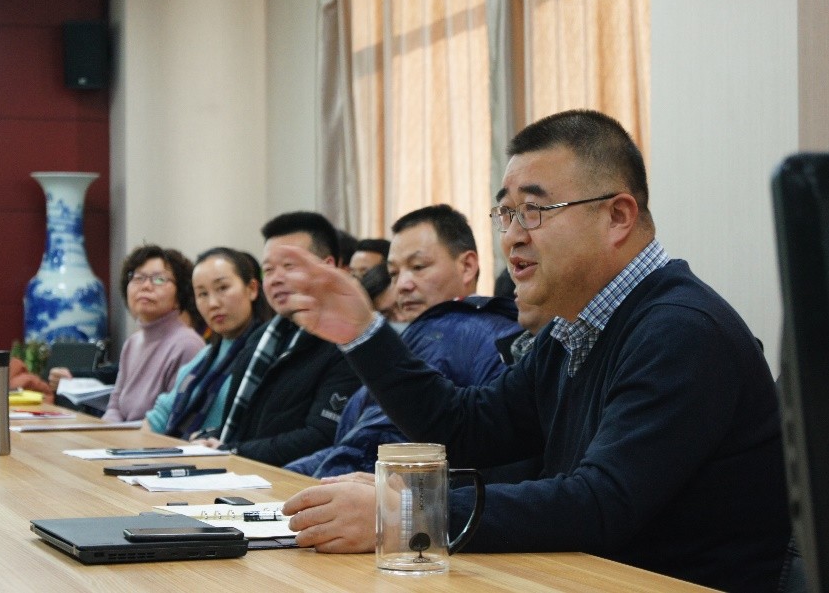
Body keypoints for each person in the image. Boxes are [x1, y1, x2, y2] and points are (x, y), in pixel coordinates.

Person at [276, 110, 792, 591]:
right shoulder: (574, 328)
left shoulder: (681, 331)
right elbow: (466, 427)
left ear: (617, 216)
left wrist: (405, 512)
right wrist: (364, 333)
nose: (511, 238)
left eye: (533, 211)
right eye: (505, 213)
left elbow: (600, 503)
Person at [285, 204, 522, 478]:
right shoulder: (423, 334)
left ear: (467, 266)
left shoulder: (456, 330)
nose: (402, 285)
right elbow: (351, 443)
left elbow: (377, 447)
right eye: (394, 273)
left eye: (418, 267)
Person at [196, 212, 361, 466]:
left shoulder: (347, 341)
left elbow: (322, 437)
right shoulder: (262, 338)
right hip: (243, 473)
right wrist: (213, 439)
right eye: (269, 270)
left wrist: (233, 450)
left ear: (328, 267)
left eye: (289, 266)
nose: (276, 279)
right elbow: (247, 427)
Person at [144, 248, 273, 439]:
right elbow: (159, 418)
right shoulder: (205, 356)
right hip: (179, 452)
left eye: (223, 288)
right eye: (202, 294)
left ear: (252, 289)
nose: (213, 303)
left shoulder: (268, 353)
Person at [95, 245, 205, 422]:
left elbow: (173, 421)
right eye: (138, 278)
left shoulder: (188, 345)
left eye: (159, 279)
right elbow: (115, 407)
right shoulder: (132, 343)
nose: (146, 286)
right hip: (122, 437)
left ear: (179, 296)